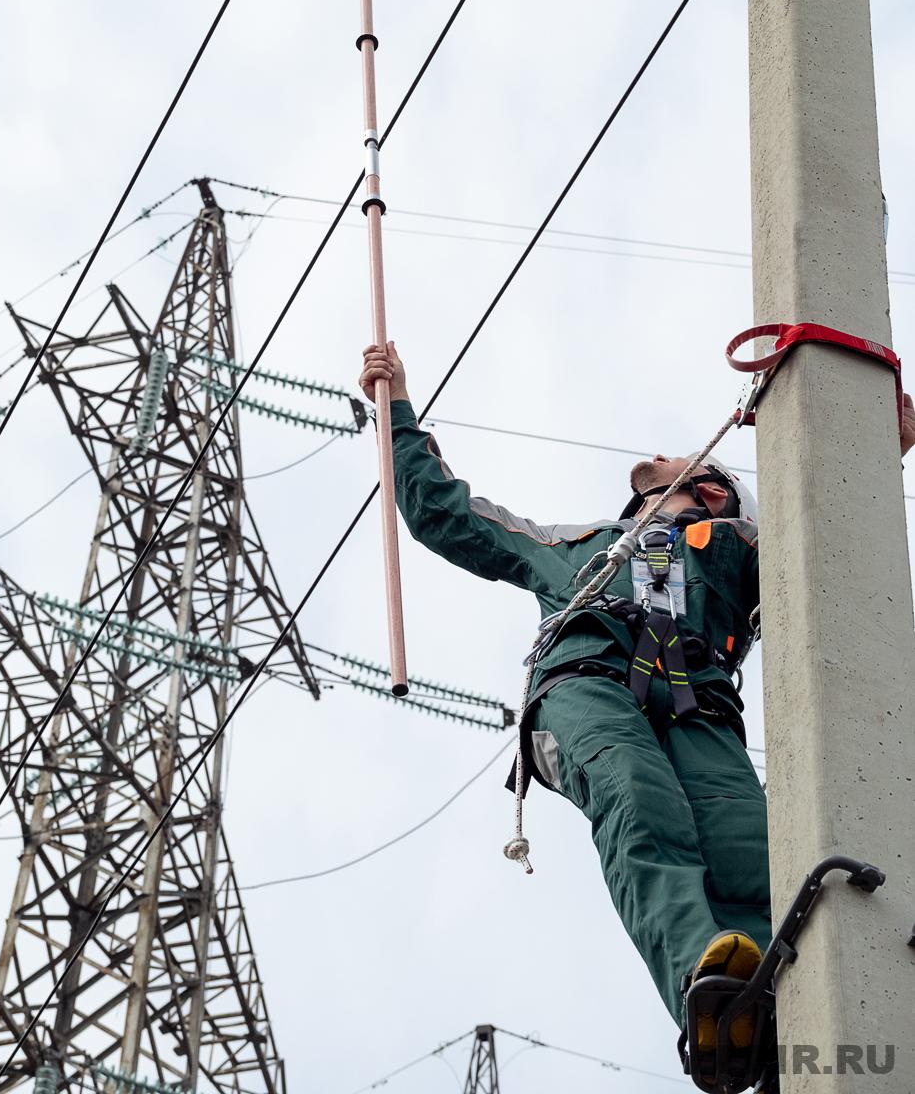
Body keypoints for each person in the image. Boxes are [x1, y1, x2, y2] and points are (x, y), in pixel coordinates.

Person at [359, 340, 915, 1086]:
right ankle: (707, 985)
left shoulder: (739, 548)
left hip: (697, 707)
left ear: (712, 491)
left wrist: (876, 455)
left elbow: (829, 548)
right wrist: (395, 408)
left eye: (673, 457)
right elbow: (445, 515)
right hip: (586, 687)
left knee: (755, 850)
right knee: (637, 798)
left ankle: (794, 1020)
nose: (652, 459)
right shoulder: (577, 547)